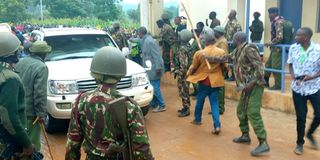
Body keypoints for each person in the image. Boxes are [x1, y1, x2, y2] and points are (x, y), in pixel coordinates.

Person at [65, 46, 154, 160]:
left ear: (95, 75)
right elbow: (141, 148)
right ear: (120, 76)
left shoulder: (80, 101)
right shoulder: (130, 106)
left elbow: (72, 143)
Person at [205, 32, 270, 156]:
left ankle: (263, 142)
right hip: (245, 87)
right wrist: (210, 58)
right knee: (241, 110)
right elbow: (226, 58)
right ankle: (245, 135)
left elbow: (260, 68)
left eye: (233, 38)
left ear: (238, 39)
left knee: (252, 112)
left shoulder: (249, 49)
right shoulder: (237, 50)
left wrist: (251, 84)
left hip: (254, 86)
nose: (232, 39)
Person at [0, 32, 34, 159]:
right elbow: (8, 116)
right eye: (16, 52)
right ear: (10, 54)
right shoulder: (9, 78)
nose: (18, 54)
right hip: (6, 138)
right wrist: (26, 143)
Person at [287, 27, 320, 155]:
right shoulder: (293, 48)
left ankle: (310, 133)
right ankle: (300, 143)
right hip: (298, 88)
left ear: (305, 37)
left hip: (314, 87)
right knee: (301, 117)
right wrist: (293, 76)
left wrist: (311, 77)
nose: (295, 37)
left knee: (319, 114)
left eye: (298, 35)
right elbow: (290, 64)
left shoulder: (318, 50)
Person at [187, 27, 225, 135]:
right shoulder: (221, 52)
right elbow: (224, 66)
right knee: (214, 103)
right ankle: (217, 125)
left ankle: (197, 119)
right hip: (216, 81)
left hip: (204, 81)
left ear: (204, 41)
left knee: (200, 101)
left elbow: (193, 67)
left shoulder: (199, 53)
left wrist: (188, 74)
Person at [15, 41, 51, 152]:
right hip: (31, 114)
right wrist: (41, 115)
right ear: (44, 54)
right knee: (33, 144)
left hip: (17, 109)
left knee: (20, 142)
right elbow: (40, 94)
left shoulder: (20, 62)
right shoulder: (41, 67)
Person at [138, 26, 166, 112]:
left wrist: (158, 67)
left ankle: (162, 105)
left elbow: (156, 55)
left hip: (155, 68)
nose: (137, 35)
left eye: (138, 33)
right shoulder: (145, 40)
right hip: (150, 68)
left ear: (140, 33)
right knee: (151, 86)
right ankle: (154, 104)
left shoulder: (149, 41)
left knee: (155, 87)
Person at [210, 26, 229, 115]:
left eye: (215, 32)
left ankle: (220, 108)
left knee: (220, 88)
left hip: (219, 67)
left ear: (218, 33)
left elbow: (222, 56)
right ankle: (218, 106)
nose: (214, 33)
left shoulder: (222, 42)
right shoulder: (219, 40)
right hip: (217, 66)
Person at [264, 7, 284, 90]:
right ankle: (265, 82)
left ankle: (278, 85)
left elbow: (280, 37)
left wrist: (270, 43)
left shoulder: (278, 22)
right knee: (268, 65)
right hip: (274, 49)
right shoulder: (275, 22)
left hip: (278, 49)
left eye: (270, 14)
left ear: (275, 13)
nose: (269, 16)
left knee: (276, 67)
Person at [175, 29, 192, 117]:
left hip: (184, 74)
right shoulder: (188, 46)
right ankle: (185, 106)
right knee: (185, 90)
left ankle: (186, 109)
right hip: (187, 72)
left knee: (184, 91)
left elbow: (183, 64)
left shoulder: (182, 49)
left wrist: (179, 72)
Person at [225, 9, 242, 81]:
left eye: (229, 14)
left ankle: (235, 77)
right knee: (228, 60)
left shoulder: (237, 24)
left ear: (233, 15)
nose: (228, 15)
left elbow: (239, 35)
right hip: (228, 45)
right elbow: (225, 32)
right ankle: (228, 75)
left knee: (234, 61)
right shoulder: (228, 23)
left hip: (234, 46)